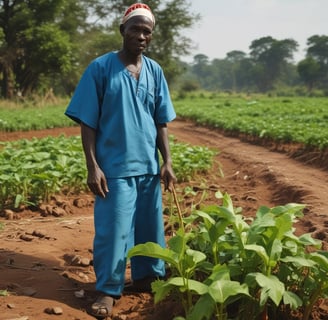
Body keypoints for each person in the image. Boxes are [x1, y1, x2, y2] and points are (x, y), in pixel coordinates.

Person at [65, 3, 176, 319]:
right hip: (114, 168)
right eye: (135, 29)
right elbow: (88, 120)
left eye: (147, 31)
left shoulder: (154, 71)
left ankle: (146, 278)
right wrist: (92, 165)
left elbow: (160, 121)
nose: (141, 36)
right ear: (122, 31)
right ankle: (108, 290)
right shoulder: (100, 68)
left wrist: (167, 161)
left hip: (148, 167)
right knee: (114, 233)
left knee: (150, 231)